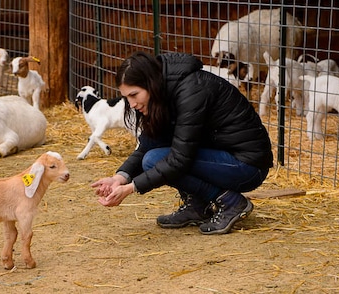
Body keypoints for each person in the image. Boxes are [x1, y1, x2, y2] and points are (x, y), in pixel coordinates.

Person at [90, 52, 274, 235]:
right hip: (223, 157)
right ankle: (198, 206)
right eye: (126, 98)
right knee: (153, 156)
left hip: (248, 166)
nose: (131, 104)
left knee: (154, 160)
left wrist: (131, 188)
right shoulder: (165, 93)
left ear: (150, 83)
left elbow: (179, 159)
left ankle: (230, 202)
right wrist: (119, 178)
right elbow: (148, 144)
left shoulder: (191, 91)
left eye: (134, 95)